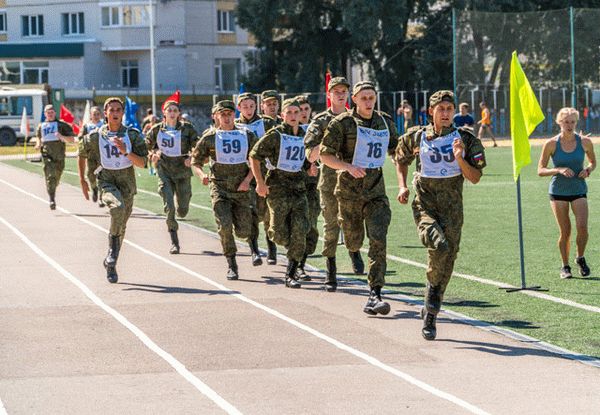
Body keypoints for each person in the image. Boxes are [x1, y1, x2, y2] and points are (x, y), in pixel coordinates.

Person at [396, 90, 486, 340]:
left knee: (448, 257)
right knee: (438, 246)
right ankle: (433, 305)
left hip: (453, 209)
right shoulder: (416, 136)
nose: (446, 113)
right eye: (441, 109)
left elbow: (475, 178)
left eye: (449, 109)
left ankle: (431, 306)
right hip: (425, 204)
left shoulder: (465, 139)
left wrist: (460, 160)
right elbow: (399, 159)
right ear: (431, 112)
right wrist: (402, 185)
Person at [320, 81, 398, 313]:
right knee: (354, 239)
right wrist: (346, 166)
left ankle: (375, 293)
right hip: (349, 193)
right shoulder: (342, 123)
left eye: (371, 97)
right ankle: (353, 250)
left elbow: (396, 148)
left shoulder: (384, 121)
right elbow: (325, 155)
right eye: (363, 97)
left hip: (376, 192)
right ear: (354, 99)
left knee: (378, 240)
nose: (367, 101)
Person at [78, 97, 148, 283]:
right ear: (105, 113)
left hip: (127, 184)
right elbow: (81, 153)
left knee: (121, 225)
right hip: (107, 181)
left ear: (122, 113)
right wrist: (83, 181)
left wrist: (126, 152)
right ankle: (111, 254)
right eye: (112, 110)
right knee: (116, 209)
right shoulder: (95, 136)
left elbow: (143, 163)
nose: (115, 113)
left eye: (118, 110)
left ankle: (111, 262)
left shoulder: (132, 135)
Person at [192, 100, 258, 279]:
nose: (227, 117)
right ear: (217, 117)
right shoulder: (210, 137)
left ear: (234, 115)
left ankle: (252, 244)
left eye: (229, 114)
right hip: (219, 187)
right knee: (225, 226)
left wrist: (248, 180)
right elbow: (195, 161)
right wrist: (201, 175)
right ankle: (232, 263)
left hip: (241, 188)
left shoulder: (247, 134)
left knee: (243, 230)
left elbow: (256, 160)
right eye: (223, 114)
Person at [305, 76, 358, 291]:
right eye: (336, 91)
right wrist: (324, 141)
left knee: (352, 222)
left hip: (354, 179)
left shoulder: (355, 118)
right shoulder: (319, 120)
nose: (340, 94)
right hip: (329, 180)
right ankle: (331, 268)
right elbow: (309, 154)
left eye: (344, 90)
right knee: (331, 225)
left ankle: (354, 251)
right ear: (329, 94)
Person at [249, 98, 309, 288]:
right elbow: (254, 155)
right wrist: (259, 182)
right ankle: (277, 238)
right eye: (289, 113)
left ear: (301, 115)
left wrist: (310, 167)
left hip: (299, 189)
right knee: (278, 234)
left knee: (300, 231)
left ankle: (291, 273)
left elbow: (306, 159)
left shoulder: (305, 135)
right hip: (277, 189)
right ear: (282, 115)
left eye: (296, 112)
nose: (293, 116)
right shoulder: (275, 135)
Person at [537, 107, 595, 279]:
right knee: (566, 231)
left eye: (572, 122)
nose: (569, 125)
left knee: (582, 228)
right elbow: (540, 170)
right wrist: (558, 169)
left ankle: (580, 257)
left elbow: (593, 162)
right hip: (558, 192)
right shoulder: (551, 144)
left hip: (578, 189)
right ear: (559, 122)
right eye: (566, 122)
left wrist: (588, 170)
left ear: (576, 122)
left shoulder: (585, 142)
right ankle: (565, 266)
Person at [146, 99, 199, 254]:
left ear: (178, 113)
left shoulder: (187, 128)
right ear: (164, 112)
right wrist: (152, 155)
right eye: (169, 110)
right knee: (169, 206)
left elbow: (197, 145)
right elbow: (146, 145)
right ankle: (174, 241)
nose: (172, 113)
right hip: (164, 169)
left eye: (175, 110)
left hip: (182, 170)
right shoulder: (156, 130)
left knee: (182, 210)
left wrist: (192, 157)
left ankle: (181, 206)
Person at [235, 92, 278, 265]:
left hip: (266, 174)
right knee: (250, 213)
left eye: (251, 106)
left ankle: (272, 249)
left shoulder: (267, 123)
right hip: (243, 175)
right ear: (239, 108)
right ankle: (254, 251)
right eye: (244, 106)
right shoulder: (234, 125)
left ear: (256, 106)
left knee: (267, 214)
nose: (248, 109)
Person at [295, 94, 319, 280]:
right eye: (299, 110)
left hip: (312, 186)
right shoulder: (290, 131)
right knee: (294, 227)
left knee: (309, 225)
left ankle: (300, 264)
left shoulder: (316, 129)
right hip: (292, 185)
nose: (303, 113)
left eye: (305, 109)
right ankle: (295, 263)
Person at [34, 104, 76, 210]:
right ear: (45, 114)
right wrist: (38, 144)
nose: (50, 114)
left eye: (52, 112)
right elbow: (39, 137)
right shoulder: (41, 126)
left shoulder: (62, 125)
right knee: (50, 177)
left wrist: (61, 137)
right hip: (47, 155)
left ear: (55, 113)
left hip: (59, 157)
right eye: (48, 112)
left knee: (56, 177)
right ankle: (52, 199)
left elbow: (72, 140)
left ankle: (54, 185)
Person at [77, 106, 105, 207]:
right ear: (91, 115)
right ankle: (94, 188)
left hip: (102, 155)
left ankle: (101, 198)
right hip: (91, 155)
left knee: (102, 175)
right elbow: (80, 136)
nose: (96, 116)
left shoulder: (104, 125)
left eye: (98, 114)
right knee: (91, 175)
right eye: (94, 114)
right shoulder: (87, 126)